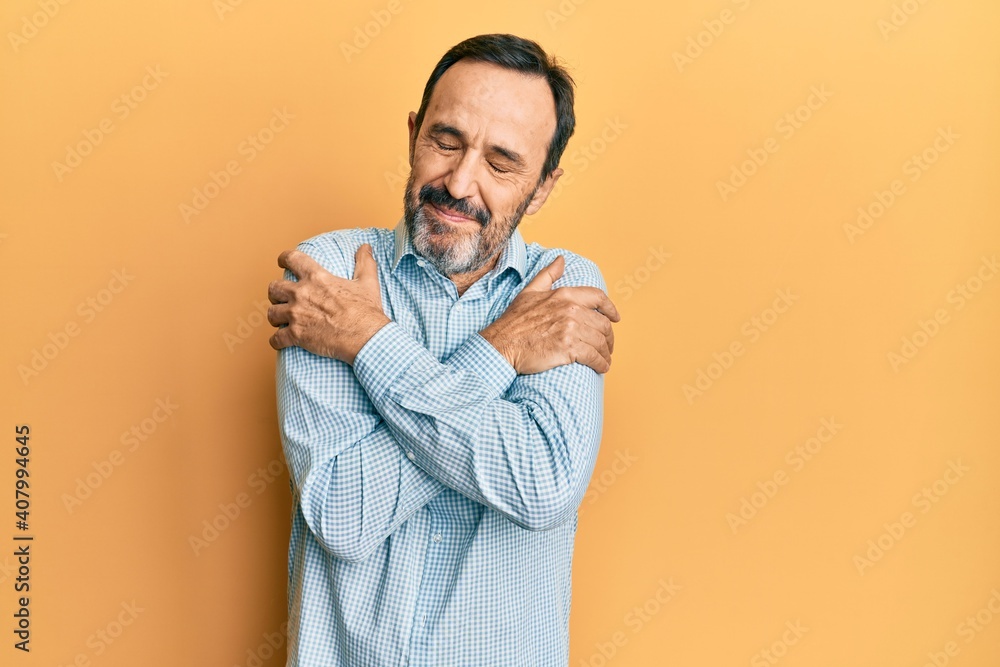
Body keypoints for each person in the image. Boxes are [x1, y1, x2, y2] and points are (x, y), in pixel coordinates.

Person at [266, 33, 621, 666]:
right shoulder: (330, 274)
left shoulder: (564, 291)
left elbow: (538, 487)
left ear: (541, 188)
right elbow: (345, 514)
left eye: (502, 162)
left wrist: (367, 341)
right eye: (445, 141)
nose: (459, 183)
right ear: (413, 135)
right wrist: (499, 353)